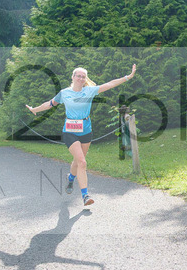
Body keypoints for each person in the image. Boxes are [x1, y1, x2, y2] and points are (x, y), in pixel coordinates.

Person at [25, 64, 138, 209]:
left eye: (83, 76)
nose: (80, 78)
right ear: (72, 77)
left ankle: (70, 178)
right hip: (70, 132)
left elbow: (109, 84)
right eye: (78, 75)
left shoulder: (89, 91)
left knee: (78, 162)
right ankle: (85, 196)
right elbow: (50, 104)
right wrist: (35, 109)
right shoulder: (64, 93)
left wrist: (128, 77)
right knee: (82, 162)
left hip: (86, 130)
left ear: (85, 79)